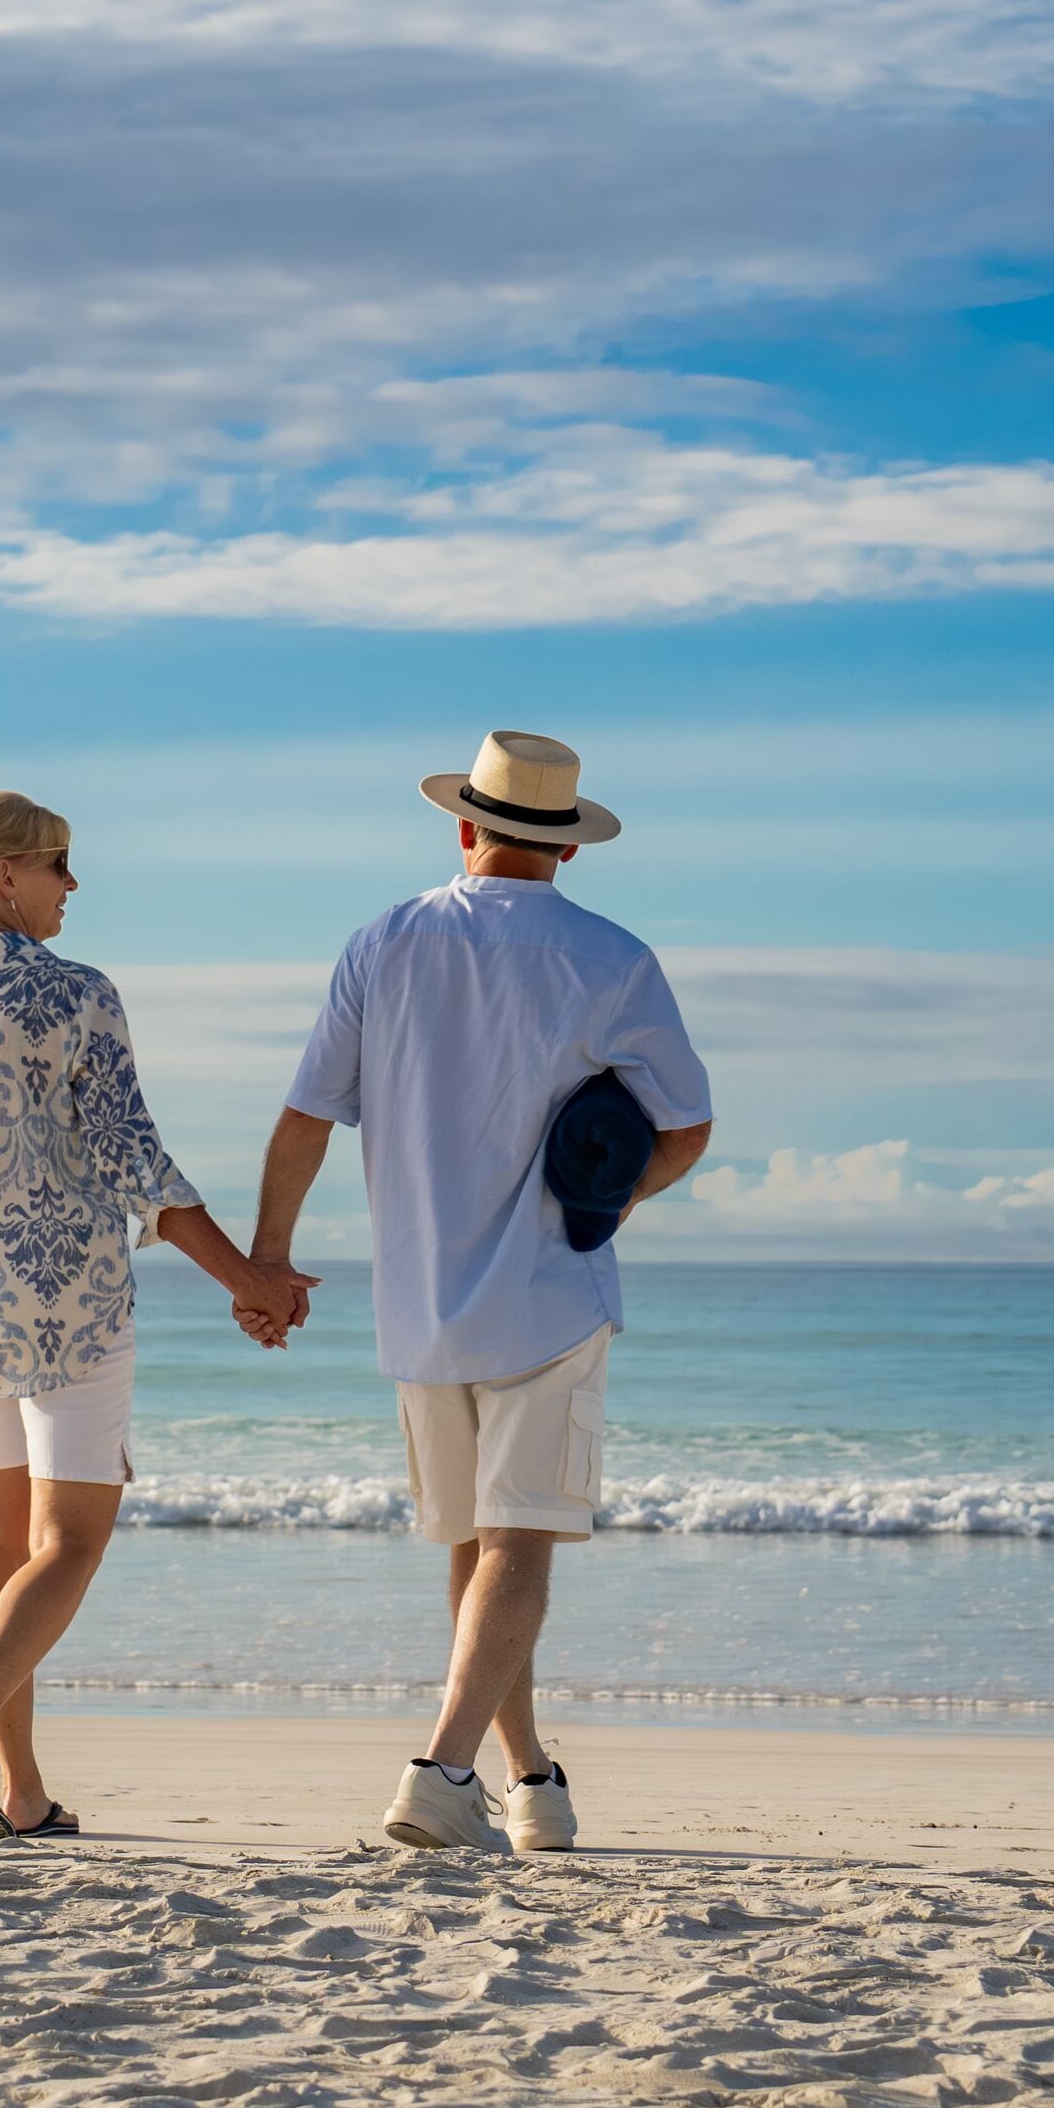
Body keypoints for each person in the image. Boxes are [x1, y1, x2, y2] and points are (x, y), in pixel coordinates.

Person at [246, 731, 716, 1852]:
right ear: (567, 848)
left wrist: (269, 1258)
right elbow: (688, 1125)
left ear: (465, 826)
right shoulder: (611, 959)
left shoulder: (386, 939)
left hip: (420, 1302)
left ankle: (531, 1780)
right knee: (519, 1545)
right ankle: (444, 1769)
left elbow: (308, 1114)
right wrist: (610, 1203)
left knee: (473, 1546)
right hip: (549, 1298)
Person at [0, 790, 312, 1845]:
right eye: (59, 865)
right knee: (68, 1544)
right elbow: (135, 1160)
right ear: (5, 877)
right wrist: (249, 1278)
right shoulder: (78, 995)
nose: (73, 885)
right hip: (70, 1307)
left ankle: (17, 1797)